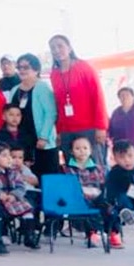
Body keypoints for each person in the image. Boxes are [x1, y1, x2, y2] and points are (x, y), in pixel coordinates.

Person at [48, 35, 109, 169]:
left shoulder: (84, 67)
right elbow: (58, 104)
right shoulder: (54, 74)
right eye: (53, 48)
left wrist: (101, 127)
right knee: (72, 169)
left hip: (90, 127)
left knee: (95, 168)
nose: (56, 50)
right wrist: (59, 130)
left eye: (60, 46)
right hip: (67, 130)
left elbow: (98, 96)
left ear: (69, 47)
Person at [0, 142, 39, 251]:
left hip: (11, 199)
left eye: (9, 156)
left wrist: (14, 195)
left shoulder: (13, 172)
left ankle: (29, 236)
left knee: (28, 207)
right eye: (5, 156)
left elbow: (20, 187)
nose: (9, 159)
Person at [64, 135, 122, 249]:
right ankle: (92, 233)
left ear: (90, 150)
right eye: (78, 148)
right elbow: (68, 188)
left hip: (97, 196)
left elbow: (105, 186)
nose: (82, 151)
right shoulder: (66, 169)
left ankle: (113, 232)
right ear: (71, 151)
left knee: (109, 207)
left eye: (85, 148)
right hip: (78, 198)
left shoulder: (99, 168)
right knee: (87, 207)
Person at [6, 53, 60, 177]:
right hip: (22, 142)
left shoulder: (42, 87)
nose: (22, 70)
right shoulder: (15, 90)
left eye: (26, 67)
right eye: (19, 67)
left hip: (42, 141)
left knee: (47, 177)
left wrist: (44, 137)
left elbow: (51, 113)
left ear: (36, 70)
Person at [107, 141, 134, 226]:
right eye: (121, 157)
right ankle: (128, 214)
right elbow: (111, 190)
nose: (126, 160)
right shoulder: (115, 172)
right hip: (127, 201)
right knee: (121, 196)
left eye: (130, 156)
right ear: (115, 159)